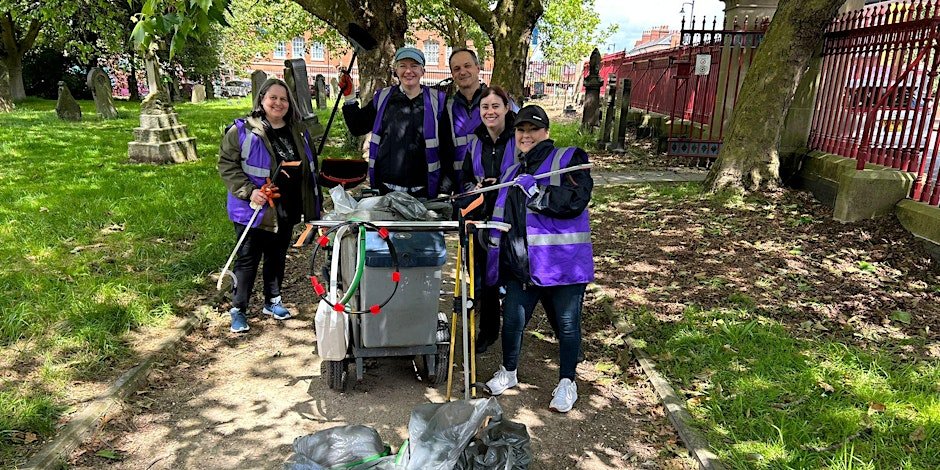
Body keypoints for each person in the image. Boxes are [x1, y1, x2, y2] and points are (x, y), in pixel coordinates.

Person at [483, 105, 594, 413]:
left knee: (568, 325)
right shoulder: (511, 172)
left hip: (563, 266)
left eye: (532, 129)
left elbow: (577, 201)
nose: (526, 135)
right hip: (522, 266)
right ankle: (508, 371)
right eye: (520, 129)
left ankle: (566, 383)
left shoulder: (570, 158)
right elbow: (505, 219)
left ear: (546, 132)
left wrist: (537, 193)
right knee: (513, 322)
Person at [218, 78, 322, 333]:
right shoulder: (241, 130)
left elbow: (309, 167)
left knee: (277, 255)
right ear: (262, 99)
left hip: (286, 205)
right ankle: (239, 309)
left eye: (284, 99)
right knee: (248, 259)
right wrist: (250, 192)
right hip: (252, 209)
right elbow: (226, 165)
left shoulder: (298, 131)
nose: (278, 103)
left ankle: (272, 300)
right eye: (273, 97)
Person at [341, 46, 453, 197]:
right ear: (396, 70)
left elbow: (447, 150)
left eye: (414, 66)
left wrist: (444, 190)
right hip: (386, 188)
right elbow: (357, 126)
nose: (408, 71)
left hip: (425, 190)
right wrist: (349, 97)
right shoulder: (382, 98)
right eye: (403, 66)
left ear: (422, 71)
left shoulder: (437, 101)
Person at [457, 85, 517, 354]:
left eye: (495, 106)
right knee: (486, 277)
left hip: (513, 220)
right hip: (483, 221)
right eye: (485, 107)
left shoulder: (519, 138)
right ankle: (488, 331)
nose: (490, 112)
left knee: (516, 276)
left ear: (506, 108)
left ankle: (515, 331)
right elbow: (466, 179)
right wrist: (476, 188)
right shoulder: (474, 142)